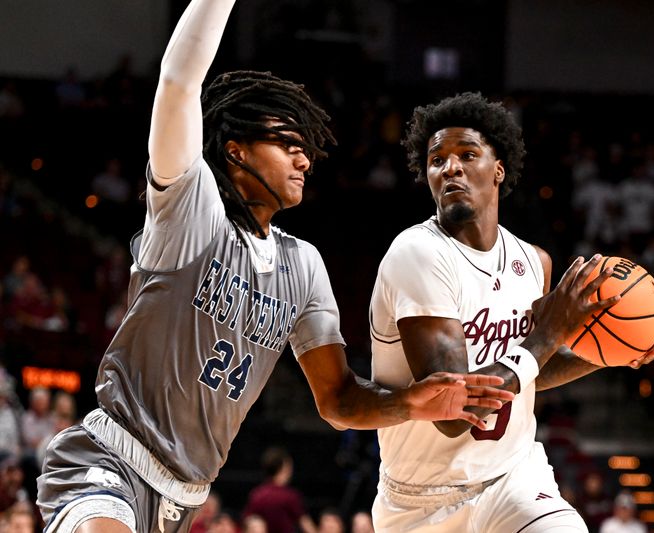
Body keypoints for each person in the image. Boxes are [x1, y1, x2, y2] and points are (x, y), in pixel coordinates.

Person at [35, 2, 514, 532]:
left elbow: (338, 400)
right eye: (287, 144)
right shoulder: (191, 214)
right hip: (109, 463)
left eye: (304, 148)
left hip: (187, 494)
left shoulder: (303, 265)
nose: (304, 159)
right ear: (235, 152)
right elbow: (177, 83)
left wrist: (410, 404)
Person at [368, 92, 654, 532]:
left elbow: (527, 374)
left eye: (467, 154)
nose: (449, 167)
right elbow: (455, 413)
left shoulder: (533, 262)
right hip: (422, 503)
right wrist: (547, 335)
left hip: (514, 477)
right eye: (437, 160)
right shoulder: (417, 254)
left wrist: (605, 354)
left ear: (499, 169)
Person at [241, 447, 315, 533]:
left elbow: (247, 522)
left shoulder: (257, 494)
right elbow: (306, 525)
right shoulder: (290, 496)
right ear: (284, 466)